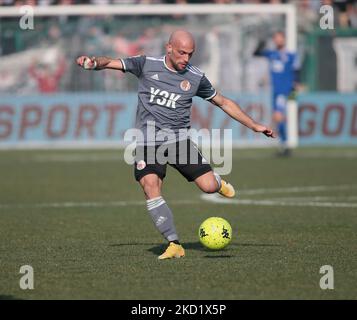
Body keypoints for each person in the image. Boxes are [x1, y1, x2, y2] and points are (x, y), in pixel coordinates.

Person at [77, 30, 275, 260]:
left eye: (190, 54)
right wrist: (92, 63)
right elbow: (109, 62)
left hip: (179, 141)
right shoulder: (146, 64)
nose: (186, 59)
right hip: (148, 142)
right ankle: (174, 243)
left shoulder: (195, 77)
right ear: (169, 47)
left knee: (208, 186)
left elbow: (223, 102)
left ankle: (218, 182)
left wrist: (254, 125)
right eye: (182, 53)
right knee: (150, 185)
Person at [254, 31, 300, 156]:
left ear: (284, 39)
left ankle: (285, 145)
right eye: (275, 38)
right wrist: (260, 42)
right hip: (275, 91)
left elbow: (296, 71)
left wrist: (295, 86)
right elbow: (256, 53)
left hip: (284, 91)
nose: (277, 40)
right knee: (278, 118)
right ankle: (284, 145)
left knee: (278, 116)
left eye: (280, 38)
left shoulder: (291, 55)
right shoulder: (272, 54)